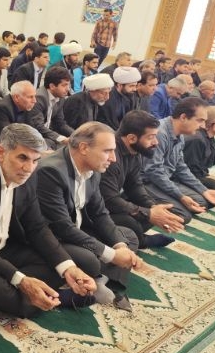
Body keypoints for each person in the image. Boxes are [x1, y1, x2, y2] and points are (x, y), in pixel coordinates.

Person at [0, 123, 98, 317]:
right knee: (15, 300)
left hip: (2, 248)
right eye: (22, 158)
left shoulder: (28, 174)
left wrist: (68, 269)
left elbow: (37, 227)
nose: (29, 168)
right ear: (1, 152)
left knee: (70, 265)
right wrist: (21, 280)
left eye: (35, 160)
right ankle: (60, 297)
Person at [36, 122, 141, 310]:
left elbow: (100, 213)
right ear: (84, 148)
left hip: (76, 228)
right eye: (108, 151)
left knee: (128, 237)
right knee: (90, 259)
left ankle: (100, 278)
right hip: (54, 237)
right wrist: (111, 255)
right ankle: (93, 275)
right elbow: (62, 227)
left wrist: (120, 247)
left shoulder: (93, 169)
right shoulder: (51, 172)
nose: (113, 158)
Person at [100, 110, 184, 248]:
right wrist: (148, 213)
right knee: (131, 221)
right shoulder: (111, 157)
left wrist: (152, 207)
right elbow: (109, 200)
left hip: (111, 200)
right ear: (132, 138)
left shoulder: (135, 151)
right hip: (95, 208)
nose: (156, 142)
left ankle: (136, 235)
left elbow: (134, 185)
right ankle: (143, 241)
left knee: (154, 210)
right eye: (151, 137)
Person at [142, 97, 215, 223]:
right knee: (184, 215)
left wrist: (203, 190)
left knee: (202, 201)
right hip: (147, 182)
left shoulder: (180, 135)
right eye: (200, 120)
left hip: (165, 178)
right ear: (183, 117)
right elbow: (153, 172)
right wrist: (180, 196)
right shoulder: (160, 133)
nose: (202, 126)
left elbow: (181, 167)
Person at [32, 66, 74, 149]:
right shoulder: (39, 98)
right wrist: (61, 139)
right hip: (35, 137)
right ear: (52, 86)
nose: (68, 89)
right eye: (64, 85)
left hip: (48, 136)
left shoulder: (60, 97)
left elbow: (60, 123)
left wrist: (76, 134)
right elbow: (38, 126)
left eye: (68, 85)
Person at [183, 104, 215, 190]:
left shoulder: (209, 138)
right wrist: (209, 177)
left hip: (199, 174)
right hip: (188, 178)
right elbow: (192, 170)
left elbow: (213, 160)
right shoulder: (197, 139)